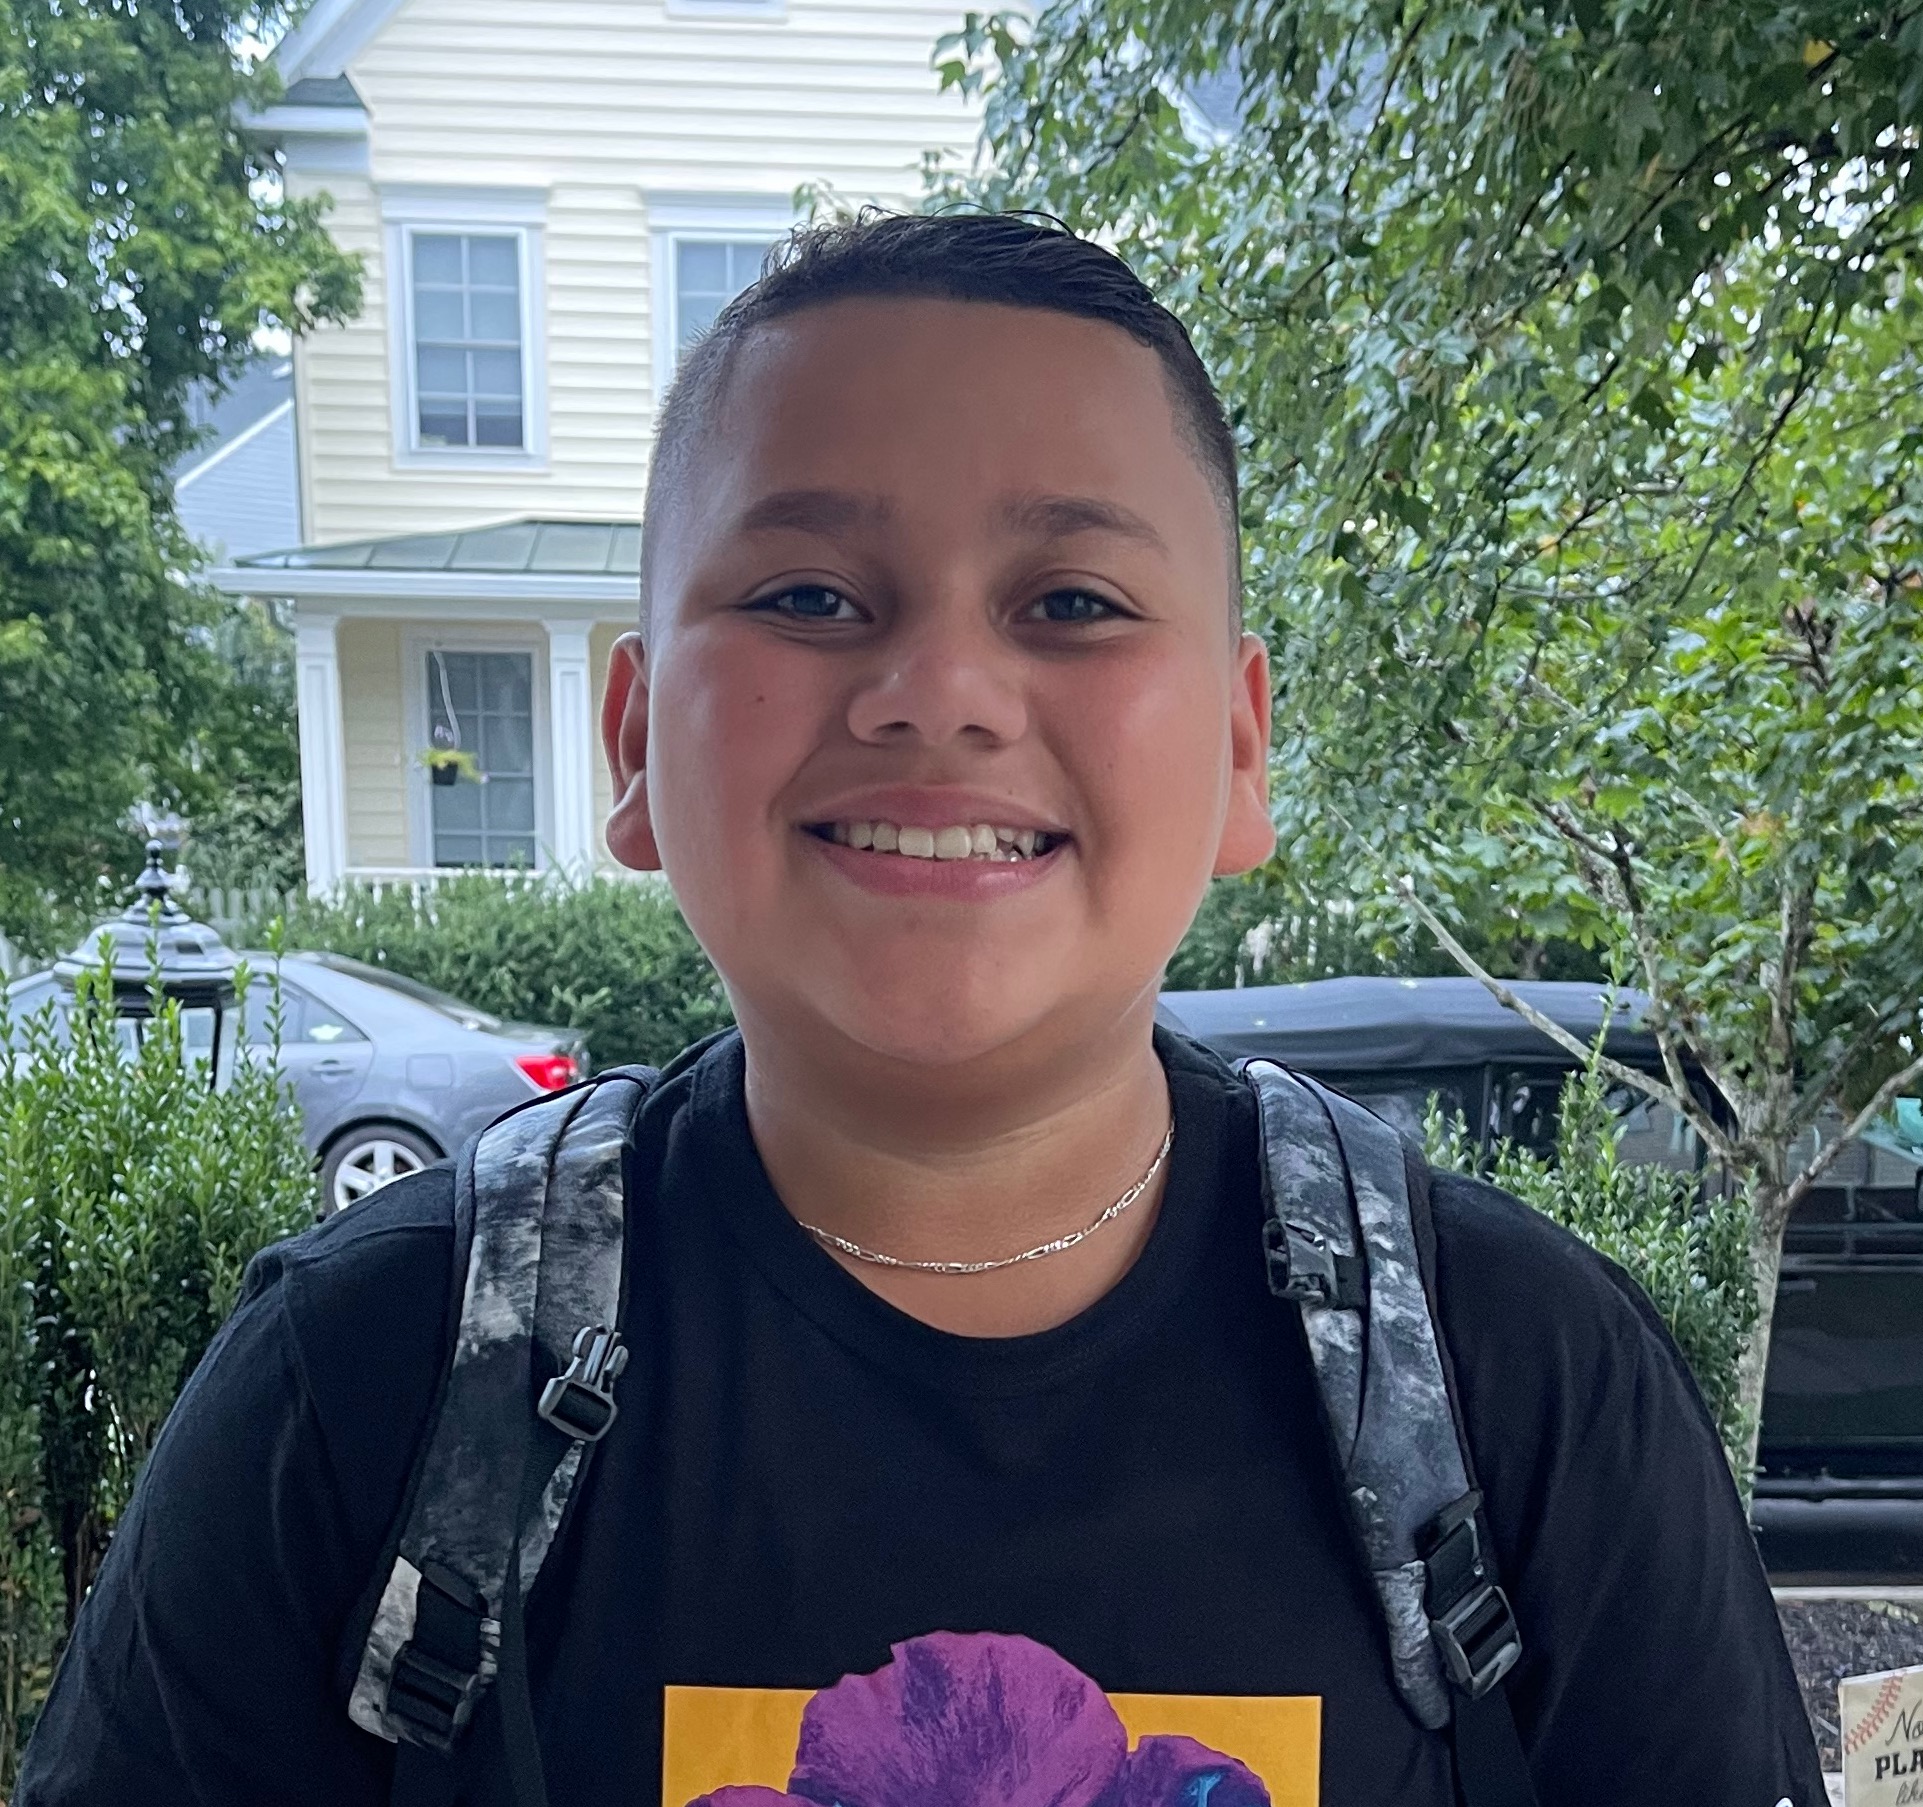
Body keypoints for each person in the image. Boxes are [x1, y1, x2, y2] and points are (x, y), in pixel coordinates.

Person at [15, 211, 1826, 1807]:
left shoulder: (1522, 1388)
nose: (940, 688)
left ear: (1237, 747)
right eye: (809, 594)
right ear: (634, 742)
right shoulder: (365, 1383)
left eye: (1071, 600)